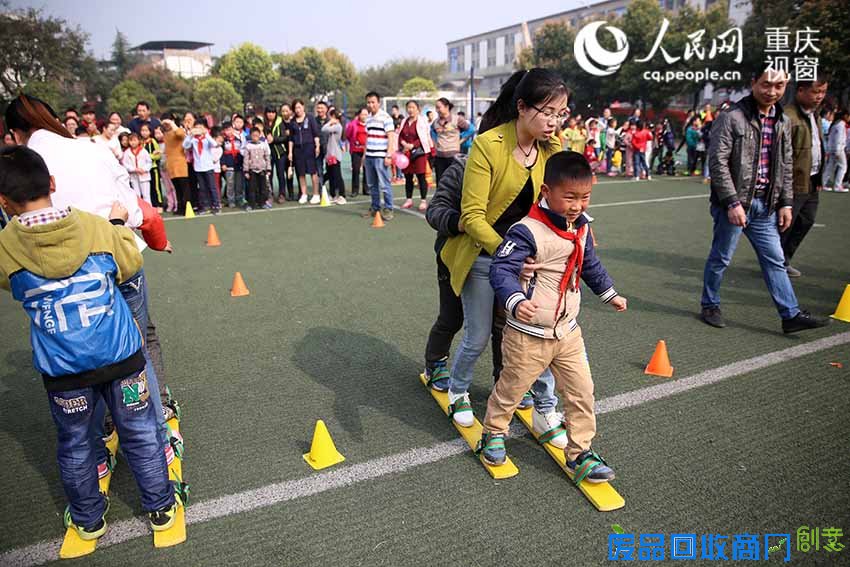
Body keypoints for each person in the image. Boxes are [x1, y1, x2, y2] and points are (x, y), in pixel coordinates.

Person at [0, 145, 180, 540]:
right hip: (120, 355)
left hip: (64, 369)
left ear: (4, 201)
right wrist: (116, 224)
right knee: (140, 431)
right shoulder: (94, 227)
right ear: (52, 183)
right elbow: (130, 263)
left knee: (76, 443)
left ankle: (88, 518)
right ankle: (161, 506)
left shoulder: (7, 245)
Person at [438, 68, 567, 442]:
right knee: (477, 336)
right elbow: (472, 217)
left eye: (560, 114)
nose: (554, 122)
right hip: (485, 254)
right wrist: (508, 254)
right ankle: (458, 390)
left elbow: (557, 205)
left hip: (528, 261)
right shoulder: (487, 145)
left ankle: (544, 408)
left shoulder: (551, 149)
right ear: (522, 107)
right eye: (548, 112)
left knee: (537, 335)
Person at [479, 151, 626, 475]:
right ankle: (493, 432)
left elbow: (589, 264)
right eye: (569, 197)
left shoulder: (581, 227)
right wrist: (516, 300)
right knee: (512, 388)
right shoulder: (526, 230)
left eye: (585, 197)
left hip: (567, 331)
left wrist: (609, 293)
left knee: (581, 392)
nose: (577, 205)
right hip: (528, 333)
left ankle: (580, 451)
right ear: (546, 191)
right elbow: (501, 269)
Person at [700, 67, 829, 333]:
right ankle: (710, 304)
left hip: (765, 206)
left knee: (775, 260)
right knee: (721, 258)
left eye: (779, 86)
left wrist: (786, 203)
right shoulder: (731, 117)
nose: (772, 91)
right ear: (754, 83)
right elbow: (718, 162)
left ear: (786, 86)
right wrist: (732, 202)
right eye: (766, 84)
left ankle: (790, 315)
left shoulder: (782, 120)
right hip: (735, 205)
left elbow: (785, 164)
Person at [780, 78, 829, 278]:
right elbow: (782, 155)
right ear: (800, 91)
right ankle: (775, 263)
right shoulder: (788, 116)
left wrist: (818, 178)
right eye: (816, 92)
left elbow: (817, 147)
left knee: (806, 220)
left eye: (823, 92)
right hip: (793, 181)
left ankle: (783, 259)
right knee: (785, 225)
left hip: (812, 179)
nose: (820, 96)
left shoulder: (814, 115)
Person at [363, 91, 397, 220]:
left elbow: (391, 137)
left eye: (373, 102)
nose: (370, 105)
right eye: (368, 102)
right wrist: (364, 155)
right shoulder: (368, 118)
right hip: (369, 156)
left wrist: (389, 155)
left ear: (378, 103)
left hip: (380, 156)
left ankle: (388, 209)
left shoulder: (386, 117)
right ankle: (375, 208)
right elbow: (367, 137)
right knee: (372, 185)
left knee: (384, 184)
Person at [398, 100, 432, 211]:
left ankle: (423, 200)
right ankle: (409, 199)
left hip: (419, 153)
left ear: (418, 109)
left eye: (413, 107)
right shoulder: (404, 121)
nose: (410, 110)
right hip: (406, 153)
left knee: (421, 176)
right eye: (409, 107)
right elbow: (400, 135)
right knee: (408, 177)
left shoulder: (422, 121)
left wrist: (413, 145)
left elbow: (423, 137)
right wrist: (403, 143)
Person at [287, 99, 322, 204]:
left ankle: (316, 194)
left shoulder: (310, 118)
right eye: (295, 108)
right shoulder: (292, 121)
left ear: (303, 107)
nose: (297, 110)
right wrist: (290, 152)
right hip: (298, 150)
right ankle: (304, 194)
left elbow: (315, 134)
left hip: (309, 148)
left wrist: (317, 146)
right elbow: (291, 139)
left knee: (313, 172)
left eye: (299, 107)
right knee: (301, 173)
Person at [182, 120, 220, 214]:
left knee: (212, 186)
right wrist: (190, 135)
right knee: (202, 188)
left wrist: (206, 134)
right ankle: (204, 205)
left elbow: (214, 144)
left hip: (208, 166)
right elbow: (185, 145)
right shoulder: (193, 139)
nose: (198, 130)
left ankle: (216, 204)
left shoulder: (206, 139)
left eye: (200, 127)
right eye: (197, 128)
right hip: (198, 167)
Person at [431, 98, 469, 187]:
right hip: (440, 156)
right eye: (436, 108)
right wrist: (435, 144)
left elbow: (470, 129)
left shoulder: (457, 119)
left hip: (453, 156)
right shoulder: (435, 122)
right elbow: (432, 132)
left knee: (454, 181)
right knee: (440, 182)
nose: (437, 110)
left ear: (447, 107)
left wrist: (461, 140)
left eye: (439, 107)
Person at [161, 117, 190, 215]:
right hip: (171, 164)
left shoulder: (178, 131)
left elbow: (180, 134)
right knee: (177, 188)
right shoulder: (166, 135)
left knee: (184, 188)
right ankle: (180, 207)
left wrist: (172, 123)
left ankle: (187, 207)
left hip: (180, 164)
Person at [241, 127, 272, 210]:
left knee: (263, 188)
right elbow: (246, 159)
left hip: (262, 169)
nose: (255, 137)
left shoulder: (263, 145)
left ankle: (262, 203)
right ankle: (251, 204)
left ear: (259, 135)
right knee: (252, 188)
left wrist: (268, 169)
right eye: (253, 135)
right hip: (252, 170)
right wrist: (246, 171)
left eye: (257, 135)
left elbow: (267, 157)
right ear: (250, 136)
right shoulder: (248, 146)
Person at [266, 105, 291, 203]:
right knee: (269, 175)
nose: (270, 114)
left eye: (273, 112)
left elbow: (284, 137)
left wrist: (274, 139)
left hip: (280, 152)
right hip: (267, 154)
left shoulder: (280, 122)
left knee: (280, 174)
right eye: (269, 112)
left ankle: (282, 194)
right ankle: (270, 194)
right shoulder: (263, 123)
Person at [322, 109, 347, 204]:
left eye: (331, 117)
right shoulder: (333, 126)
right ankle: (333, 195)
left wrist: (330, 122)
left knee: (337, 176)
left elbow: (324, 129)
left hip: (335, 155)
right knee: (331, 175)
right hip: (329, 154)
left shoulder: (337, 126)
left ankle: (342, 195)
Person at [122, 133, 153, 204]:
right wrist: (134, 169)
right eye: (131, 140)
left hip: (144, 175)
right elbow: (125, 164)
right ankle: (139, 209)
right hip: (134, 175)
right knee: (137, 195)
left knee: (146, 195)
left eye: (135, 140)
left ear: (139, 141)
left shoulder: (143, 151)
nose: (133, 142)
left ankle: (148, 209)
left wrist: (144, 169)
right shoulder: (127, 152)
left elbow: (149, 162)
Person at [822, 109, 849, 193]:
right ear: (845, 116)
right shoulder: (841, 124)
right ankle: (838, 185)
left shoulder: (835, 123)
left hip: (833, 148)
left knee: (830, 167)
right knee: (843, 167)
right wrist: (838, 150)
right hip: (838, 149)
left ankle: (823, 183)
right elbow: (839, 138)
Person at [220, 121, 245, 207]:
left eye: (230, 129)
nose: (229, 132)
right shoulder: (223, 142)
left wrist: (242, 163)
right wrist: (223, 164)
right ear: (224, 131)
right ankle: (231, 200)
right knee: (230, 184)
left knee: (239, 184)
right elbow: (221, 154)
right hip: (228, 166)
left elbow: (241, 152)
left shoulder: (238, 140)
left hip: (238, 166)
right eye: (226, 130)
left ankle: (239, 199)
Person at [345, 107, 368, 197]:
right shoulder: (353, 124)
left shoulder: (370, 124)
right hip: (356, 150)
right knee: (356, 169)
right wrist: (354, 143)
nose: (365, 116)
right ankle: (355, 190)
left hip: (367, 150)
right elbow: (348, 135)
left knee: (367, 170)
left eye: (366, 114)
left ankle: (366, 189)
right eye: (363, 114)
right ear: (359, 115)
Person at [140, 124, 163, 212]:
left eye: (146, 130)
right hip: (144, 169)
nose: (144, 133)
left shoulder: (153, 141)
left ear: (150, 132)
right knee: (148, 189)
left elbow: (158, 155)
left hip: (153, 168)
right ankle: (151, 205)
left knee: (156, 187)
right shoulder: (140, 142)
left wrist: (149, 157)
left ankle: (159, 204)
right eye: (142, 130)